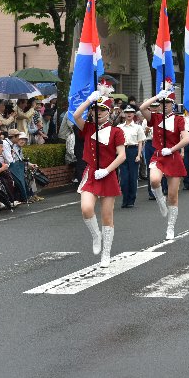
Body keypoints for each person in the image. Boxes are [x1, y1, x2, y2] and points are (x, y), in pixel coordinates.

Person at [72, 85, 126, 268]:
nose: (97, 113)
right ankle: (96, 236)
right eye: (94, 110)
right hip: (91, 173)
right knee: (86, 208)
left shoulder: (116, 132)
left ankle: (106, 253)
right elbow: (75, 115)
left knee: (107, 216)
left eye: (101, 110)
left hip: (107, 174)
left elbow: (122, 155)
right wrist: (90, 100)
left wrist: (108, 170)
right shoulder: (88, 128)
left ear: (109, 112)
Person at [139, 84, 189, 240]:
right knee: (154, 180)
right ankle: (159, 199)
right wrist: (157, 96)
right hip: (159, 155)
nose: (164, 105)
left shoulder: (179, 119)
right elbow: (142, 108)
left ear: (172, 104)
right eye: (162, 103)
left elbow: (187, 139)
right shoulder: (155, 117)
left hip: (173, 157)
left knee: (173, 197)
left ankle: (170, 227)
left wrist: (173, 149)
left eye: (167, 102)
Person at [117, 105, 144, 208]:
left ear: (134, 114)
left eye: (131, 112)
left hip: (133, 151)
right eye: (127, 112)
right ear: (124, 114)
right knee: (124, 178)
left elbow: (140, 142)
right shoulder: (119, 127)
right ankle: (125, 199)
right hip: (123, 151)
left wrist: (138, 155)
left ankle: (131, 200)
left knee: (133, 177)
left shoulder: (138, 127)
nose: (129, 114)